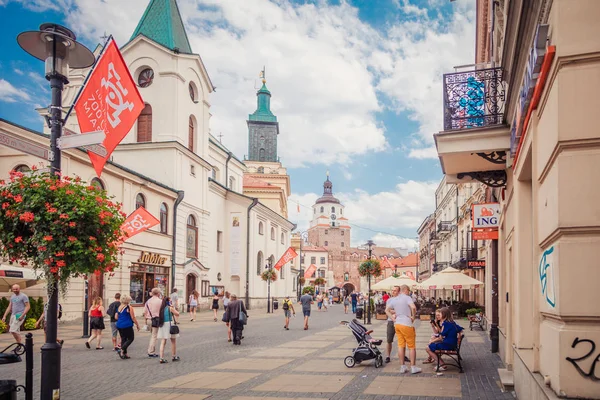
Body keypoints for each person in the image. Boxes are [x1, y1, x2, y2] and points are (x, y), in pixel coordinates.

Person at [386, 285, 421, 374]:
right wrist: (413, 316)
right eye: (408, 290)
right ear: (405, 290)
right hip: (406, 323)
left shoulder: (394, 299)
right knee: (411, 346)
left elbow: (386, 310)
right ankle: (413, 367)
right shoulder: (407, 298)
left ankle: (403, 366)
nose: (409, 292)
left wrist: (393, 319)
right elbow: (413, 307)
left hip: (397, 324)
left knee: (401, 345)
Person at [115, 294, 140, 359]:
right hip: (127, 325)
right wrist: (137, 324)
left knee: (123, 338)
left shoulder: (119, 307)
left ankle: (125, 354)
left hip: (119, 325)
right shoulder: (129, 307)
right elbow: (133, 317)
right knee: (131, 338)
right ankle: (122, 349)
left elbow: (116, 317)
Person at [157, 296, 180, 364]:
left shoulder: (162, 308)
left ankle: (161, 358)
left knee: (163, 341)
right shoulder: (170, 308)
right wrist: (173, 307)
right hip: (169, 324)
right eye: (170, 301)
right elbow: (177, 314)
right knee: (173, 341)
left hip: (163, 325)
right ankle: (174, 356)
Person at [145, 288, 162, 358]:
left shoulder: (148, 301)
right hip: (156, 320)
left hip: (149, 319)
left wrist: (145, 322)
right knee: (154, 336)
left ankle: (152, 350)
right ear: (158, 294)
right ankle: (151, 351)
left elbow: (145, 312)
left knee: (152, 335)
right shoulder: (160, 301)